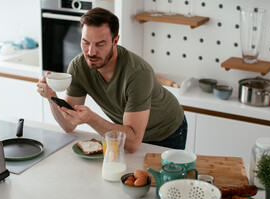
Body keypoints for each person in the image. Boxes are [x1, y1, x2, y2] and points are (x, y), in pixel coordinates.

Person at [37, 7, 187, 153]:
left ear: (115, 41)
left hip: (167, 132)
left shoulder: (138, 73)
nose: (91, 52)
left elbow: (133, 143)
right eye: (86, 42)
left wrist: (92, 119)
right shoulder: (78, 67)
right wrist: (51, 97)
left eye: (100, 44)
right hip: (128, 133)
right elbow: (68, 125)